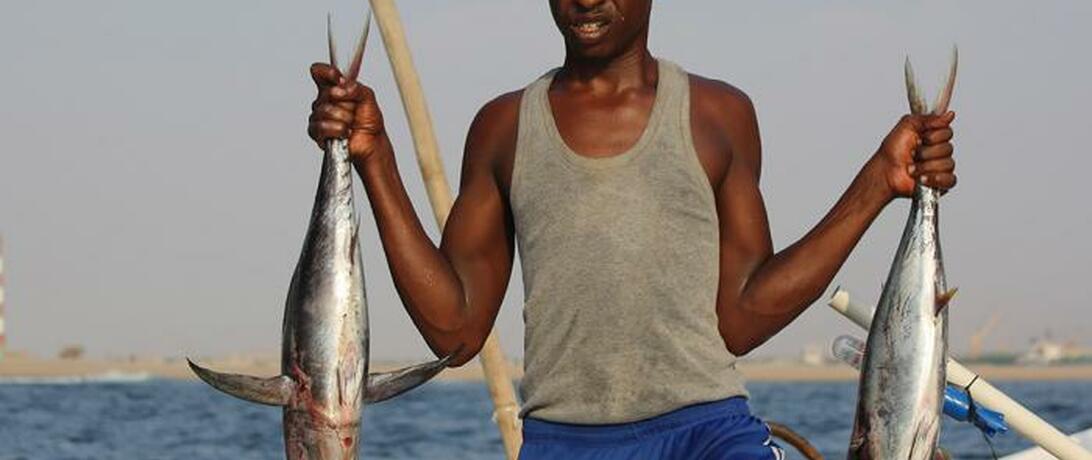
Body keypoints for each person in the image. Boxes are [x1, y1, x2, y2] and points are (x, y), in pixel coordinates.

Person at [307, 1, 956, 458]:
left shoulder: (718, 115)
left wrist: (878, 181)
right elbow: (456, 330)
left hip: (709, 431)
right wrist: (375, 158)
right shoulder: (503, 128)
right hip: (565, 441)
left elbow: (743, 318)